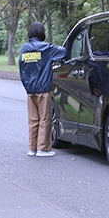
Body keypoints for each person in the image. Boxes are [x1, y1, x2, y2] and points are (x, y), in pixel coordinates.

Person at [19, 22, 66, 157]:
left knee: (33, 119)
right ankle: (43, 149)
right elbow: (62, 52)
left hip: (30, 89)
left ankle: (32, 148)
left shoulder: (24, 49)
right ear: (42, 33)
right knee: (45, 119)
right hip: (43, 88)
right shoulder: (46, 48)